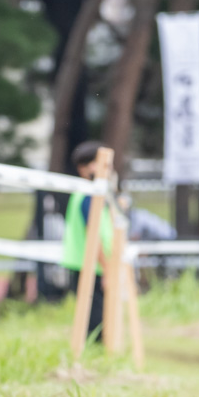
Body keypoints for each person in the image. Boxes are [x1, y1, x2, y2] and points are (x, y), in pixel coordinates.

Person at [61, 141, 112, 342]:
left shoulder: (87, 194)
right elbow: (94, 235)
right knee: (95, 322)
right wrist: (107, 268)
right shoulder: (89, 195)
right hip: (92, 267)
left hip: (87, 265)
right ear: (86, 168)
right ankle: (93, 358)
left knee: (93, 317)